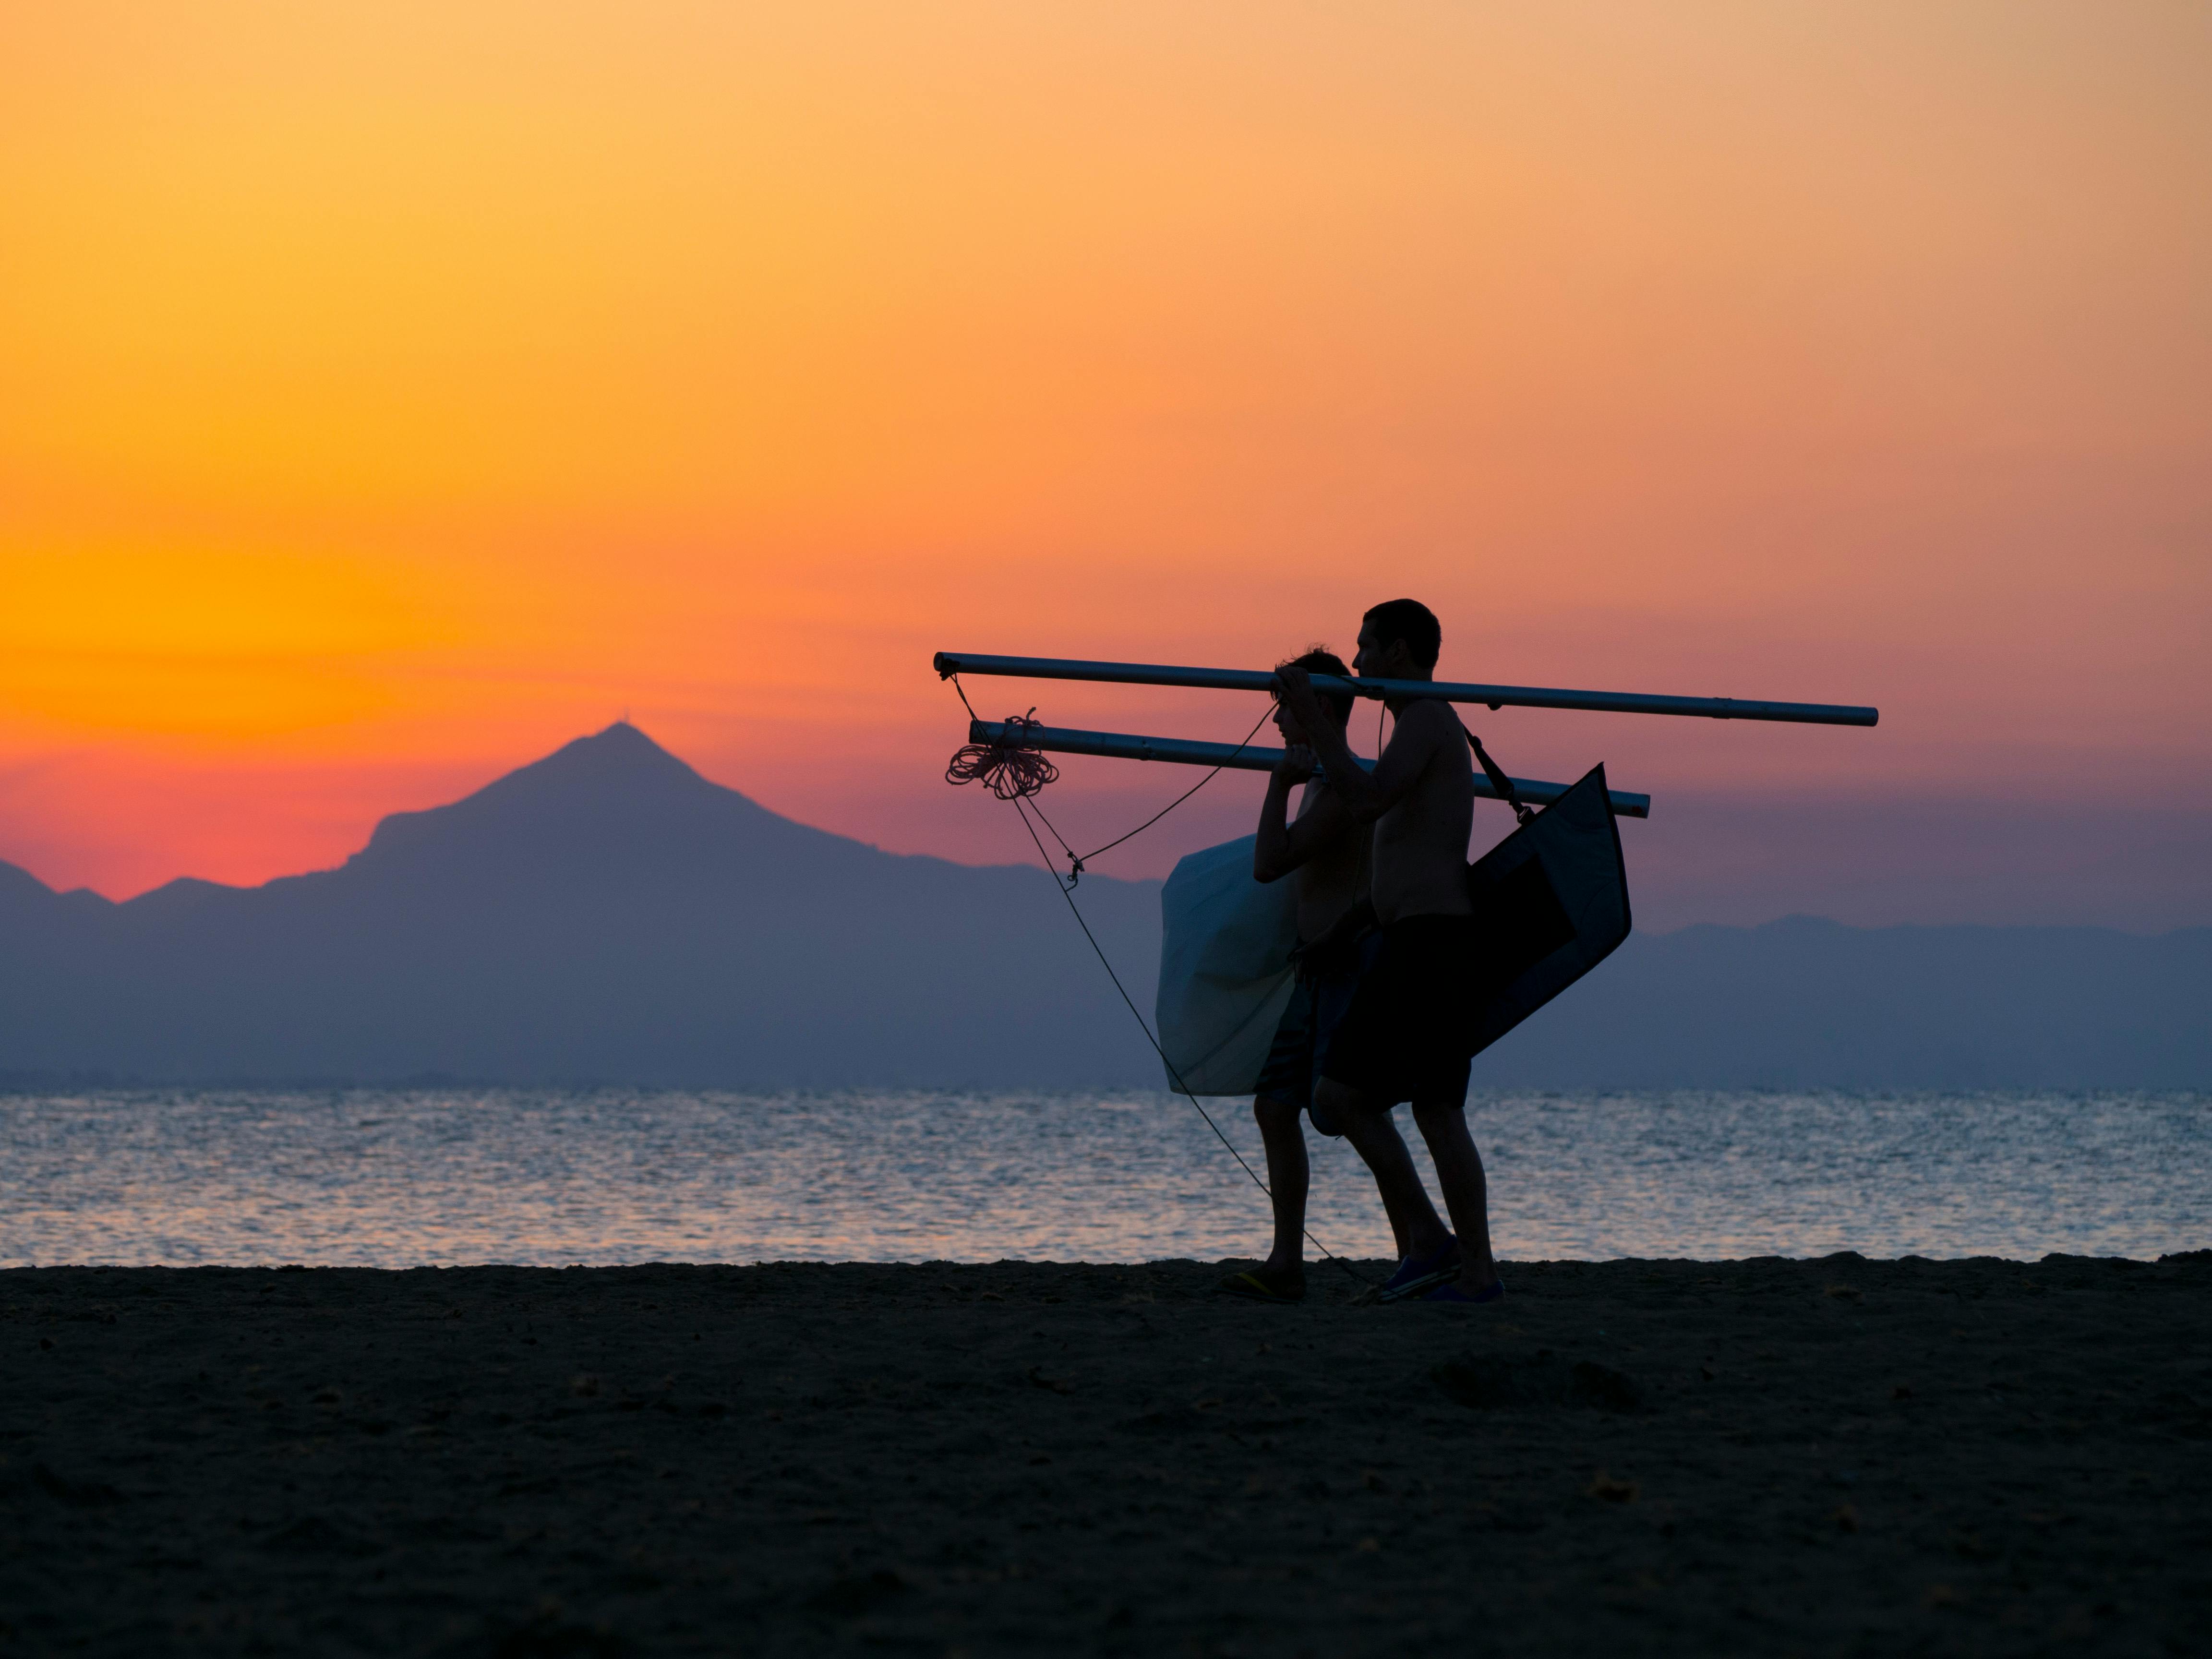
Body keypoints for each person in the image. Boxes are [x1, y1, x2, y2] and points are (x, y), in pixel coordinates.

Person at [1274, 599, 1503, 1304]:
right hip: (1408, 937)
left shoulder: (1428, 717)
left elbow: (1366, 799)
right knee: (1364, 1099)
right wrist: (1341, 933)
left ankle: (1463, 1265)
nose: (1357, 661)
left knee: (1417, 1106)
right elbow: (1402, 863)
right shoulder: (1414, 729)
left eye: (1366, 647)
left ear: (1399, 651)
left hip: (1434, 942)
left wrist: (1312, 717)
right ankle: (1443, 1252)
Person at [1218, 649, 1430, 1304]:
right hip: (1313, 970)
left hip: (1349, 967)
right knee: (1276, 1107)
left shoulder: (1340, 786)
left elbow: (1270, 863)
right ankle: (1287, 1261)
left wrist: (1277, 785)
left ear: (1320, 709)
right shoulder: (1321, 780)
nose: (1278, 720)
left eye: (1287, 706)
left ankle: (1420, 1248)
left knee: (1353, 1109)